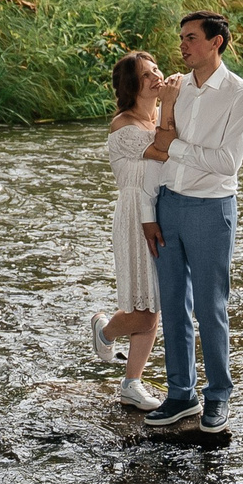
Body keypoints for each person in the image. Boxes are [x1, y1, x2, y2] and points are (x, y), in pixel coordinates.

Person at [139, 11, 243, 436]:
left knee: (211, 307)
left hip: (212, 209)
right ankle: (180, 394)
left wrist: (176, 147)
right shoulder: (174, 90)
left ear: (216, 43)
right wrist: (150, 212)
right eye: (181, 38)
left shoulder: (242, 95)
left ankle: (218, 396)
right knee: (172, 304)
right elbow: (156, 150)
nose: (183, 45)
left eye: (191, 38)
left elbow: (228, 163)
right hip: (169, 206)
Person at [88, 51, 168, 408]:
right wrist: (177, 102)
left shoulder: (159, 119)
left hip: (160, 212)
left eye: (157, 71)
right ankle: (105, 332)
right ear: (133, 85)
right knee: (146, 307)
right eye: (148, 74)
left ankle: (130, 382)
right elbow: (165, 151)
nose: (157, 77)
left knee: (153, 304)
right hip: (136, 213)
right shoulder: (125, 125)